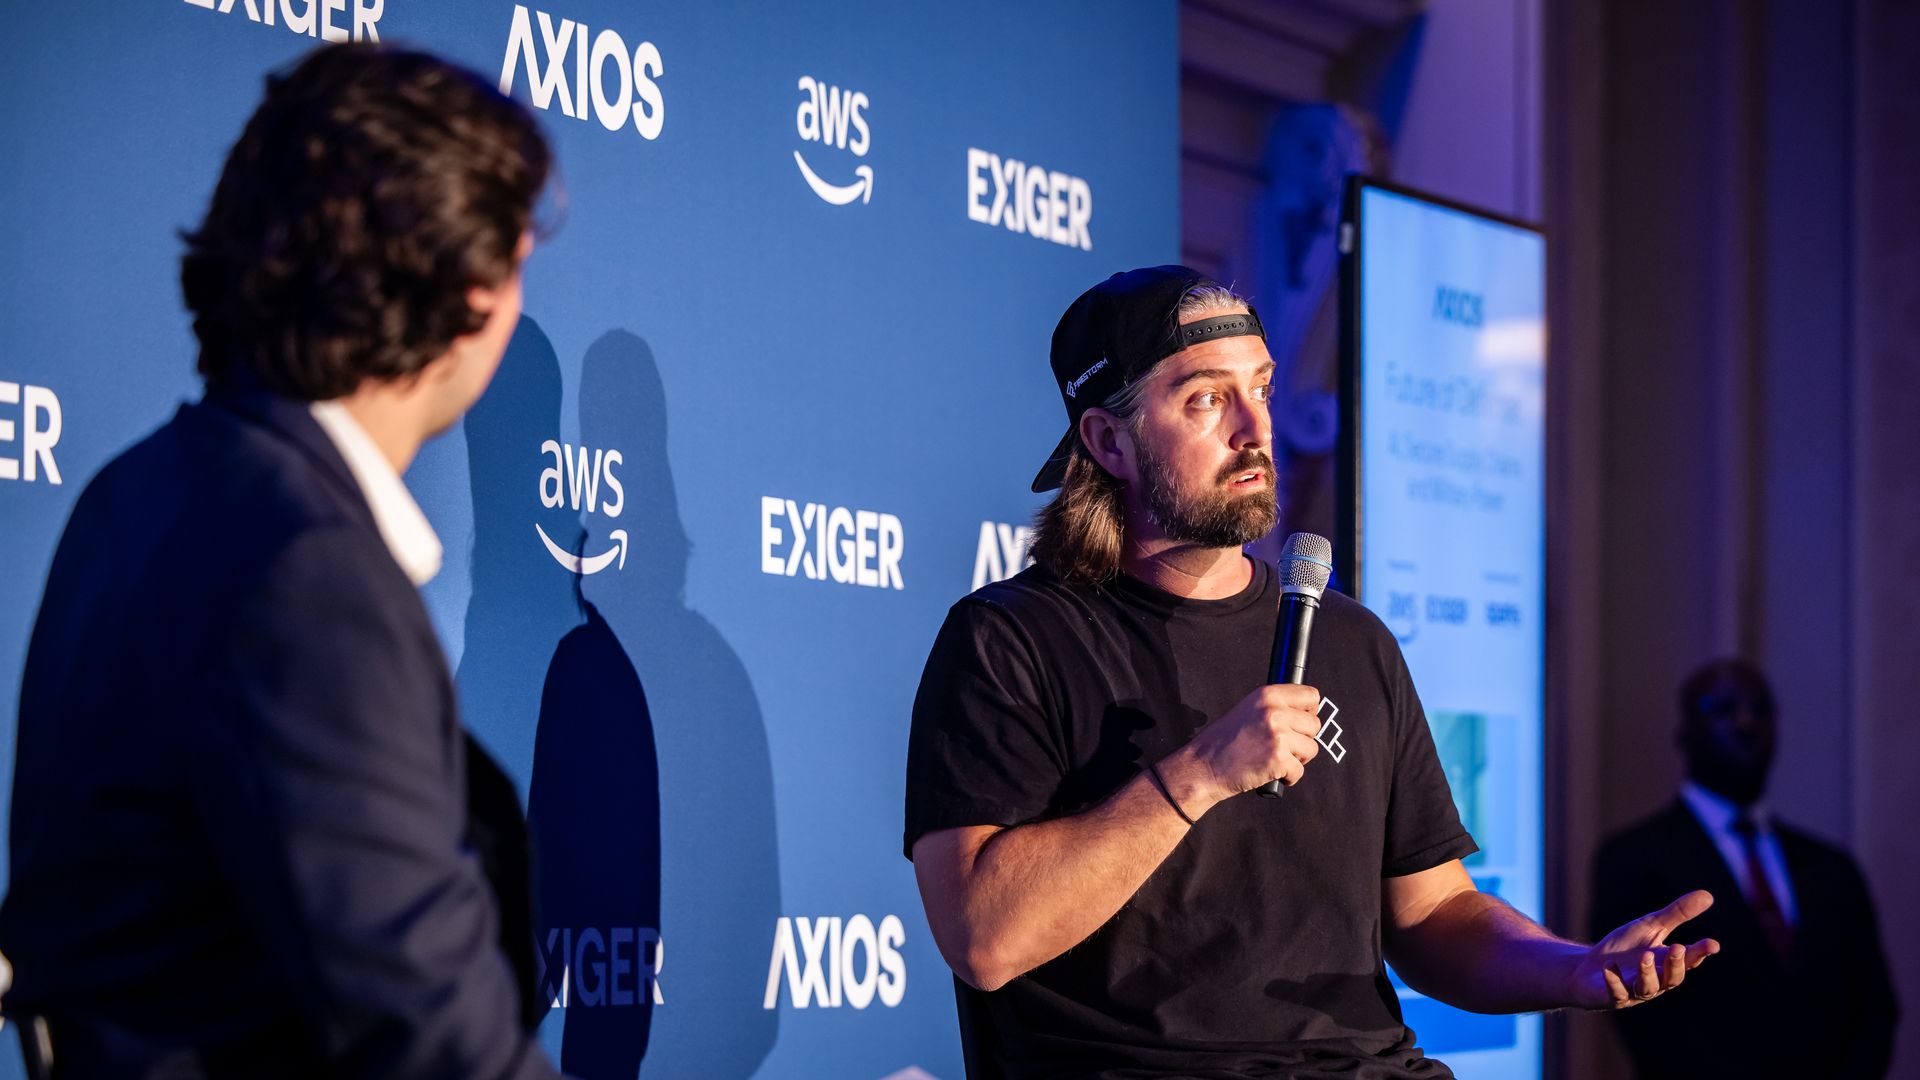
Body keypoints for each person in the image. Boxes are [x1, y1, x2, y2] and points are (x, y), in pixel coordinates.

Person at [904, 266, 1721, 1079]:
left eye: (1260, 385)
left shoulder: (1350, 640)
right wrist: (1198, 775)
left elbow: (1433, 909)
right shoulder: (1009, 641)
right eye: (1207, 399)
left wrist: (1570, 972)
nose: (1256, 427)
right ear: (1108, 441)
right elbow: (985, 940)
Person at [0, 44, 563, 1078]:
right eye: (517, 256)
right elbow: (438, 1043)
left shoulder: (133, 494)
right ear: (465, 292)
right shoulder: (312, 574)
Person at [1591, 658, 1899, 1078]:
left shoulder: (1832, 867)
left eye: (1761, 709)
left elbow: (1874, 1008)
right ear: (1684, 734)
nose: (1746, 723)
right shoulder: (1632, 858)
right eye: (1722, 709)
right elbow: (1644, 1021)